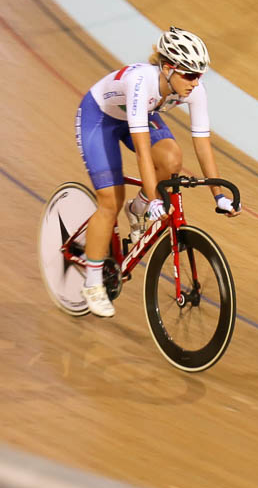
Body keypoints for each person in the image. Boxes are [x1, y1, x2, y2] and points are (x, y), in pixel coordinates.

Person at [71, 28, 239, 317]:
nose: (195, 82)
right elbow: (142, 151)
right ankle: (93, 282)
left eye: (200, 75)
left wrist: (219, 195)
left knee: (172, 158)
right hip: (99, 118)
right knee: (110, 201)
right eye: (189, 74)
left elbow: (203, 146)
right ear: (167, 68)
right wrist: (155, 198)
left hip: (139, 115)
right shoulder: (141, 83)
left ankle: (136, 209)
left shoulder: (194, 91)